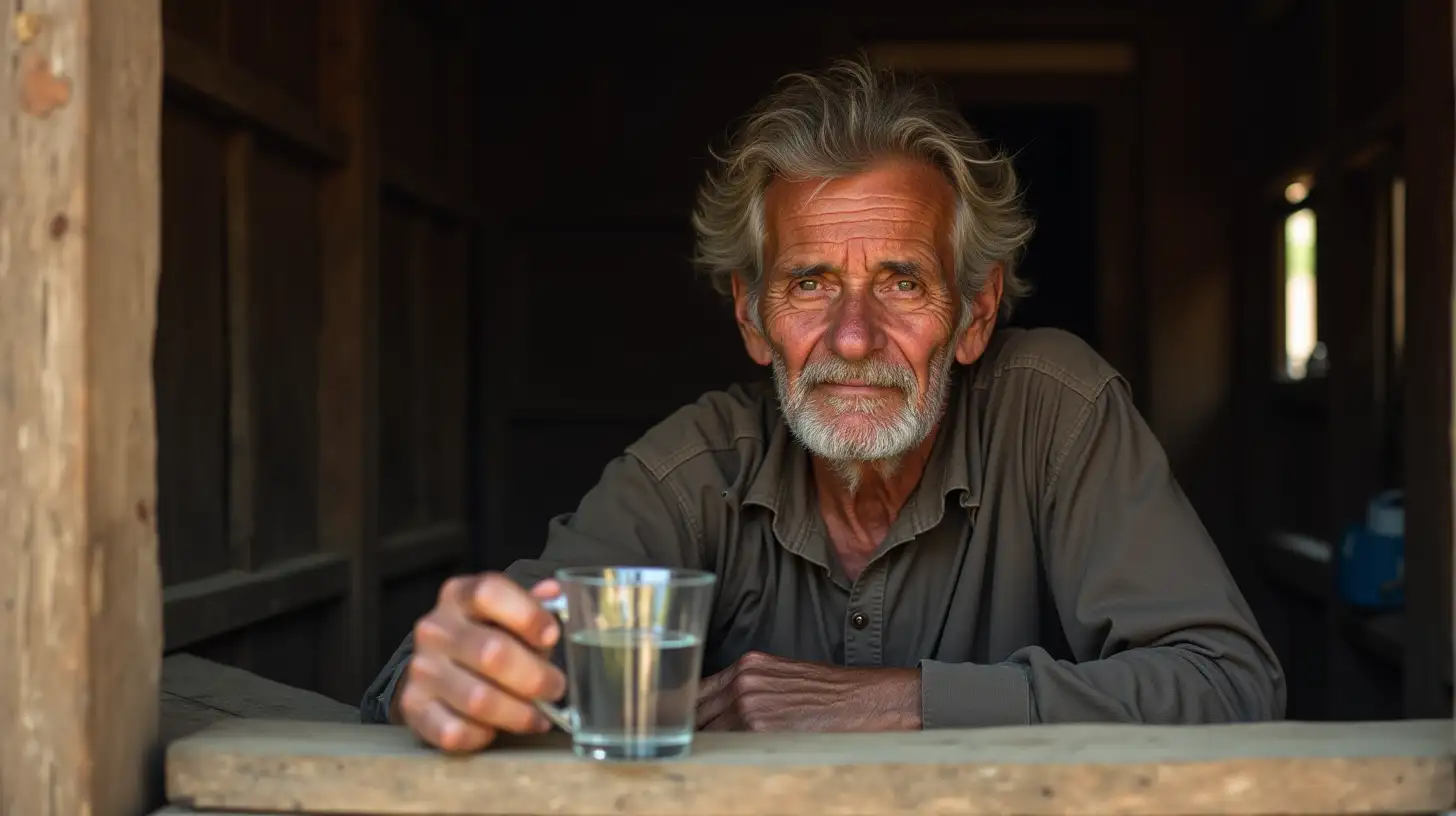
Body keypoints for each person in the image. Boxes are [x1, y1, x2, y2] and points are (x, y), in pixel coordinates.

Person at [360, 57, 1285, 750]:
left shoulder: (1055, 411)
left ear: (976, 313)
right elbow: (478, 655)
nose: (852, 338)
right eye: (808, 284)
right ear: (754, 319)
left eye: (901, 283)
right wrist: (457, 672)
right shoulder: (697, 467)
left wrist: (899, 697)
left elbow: (1230, 683)